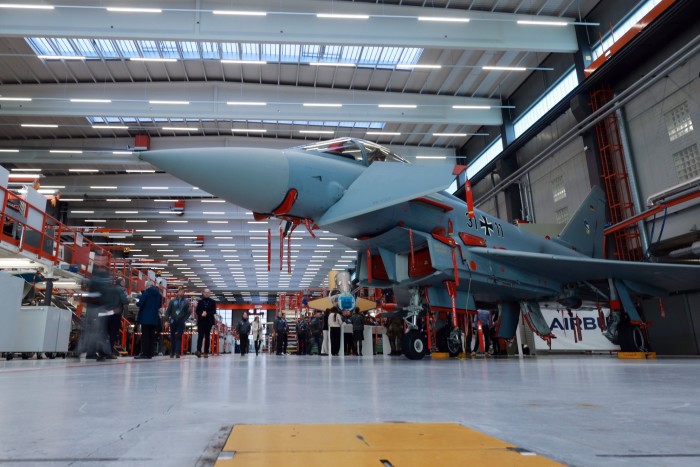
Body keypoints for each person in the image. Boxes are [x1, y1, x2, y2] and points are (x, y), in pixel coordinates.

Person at [136, 281, 162, 359]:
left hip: (145, 318)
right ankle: (150, 353)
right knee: (151, 336)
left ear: (147, 286)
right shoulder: (158, 295)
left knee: (145, 336)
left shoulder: (146, 293)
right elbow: (159, 306)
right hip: (154, 318)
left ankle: (144, 353)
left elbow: (140, 304)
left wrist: (137, 301)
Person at [165, 286, 189, 358]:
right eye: (180, 291)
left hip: (181, 321)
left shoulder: (186, 302)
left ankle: (177, 352)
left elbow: (189, 311)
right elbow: (168, 311)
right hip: (173, 320)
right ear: (178, 292)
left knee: (179, 336)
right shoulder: (172, 301)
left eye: (182, 291)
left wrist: (185, 318)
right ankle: (172, 351)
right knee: (172, 336)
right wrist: (166, 320)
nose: (181, 292)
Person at [195, 289, 217, 358]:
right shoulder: (200, 302)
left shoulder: (213, 302)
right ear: (203, 293)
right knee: (200, 336)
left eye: (208, 293)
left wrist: (206, 313)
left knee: (207, 337)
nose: (207, 294)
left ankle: (206, 352)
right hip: (201, 321)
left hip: (209, 321)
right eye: (206, 292)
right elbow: (197, 310)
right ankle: (198, 351)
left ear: (210, 294)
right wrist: (201, 314)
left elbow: (214, 311)